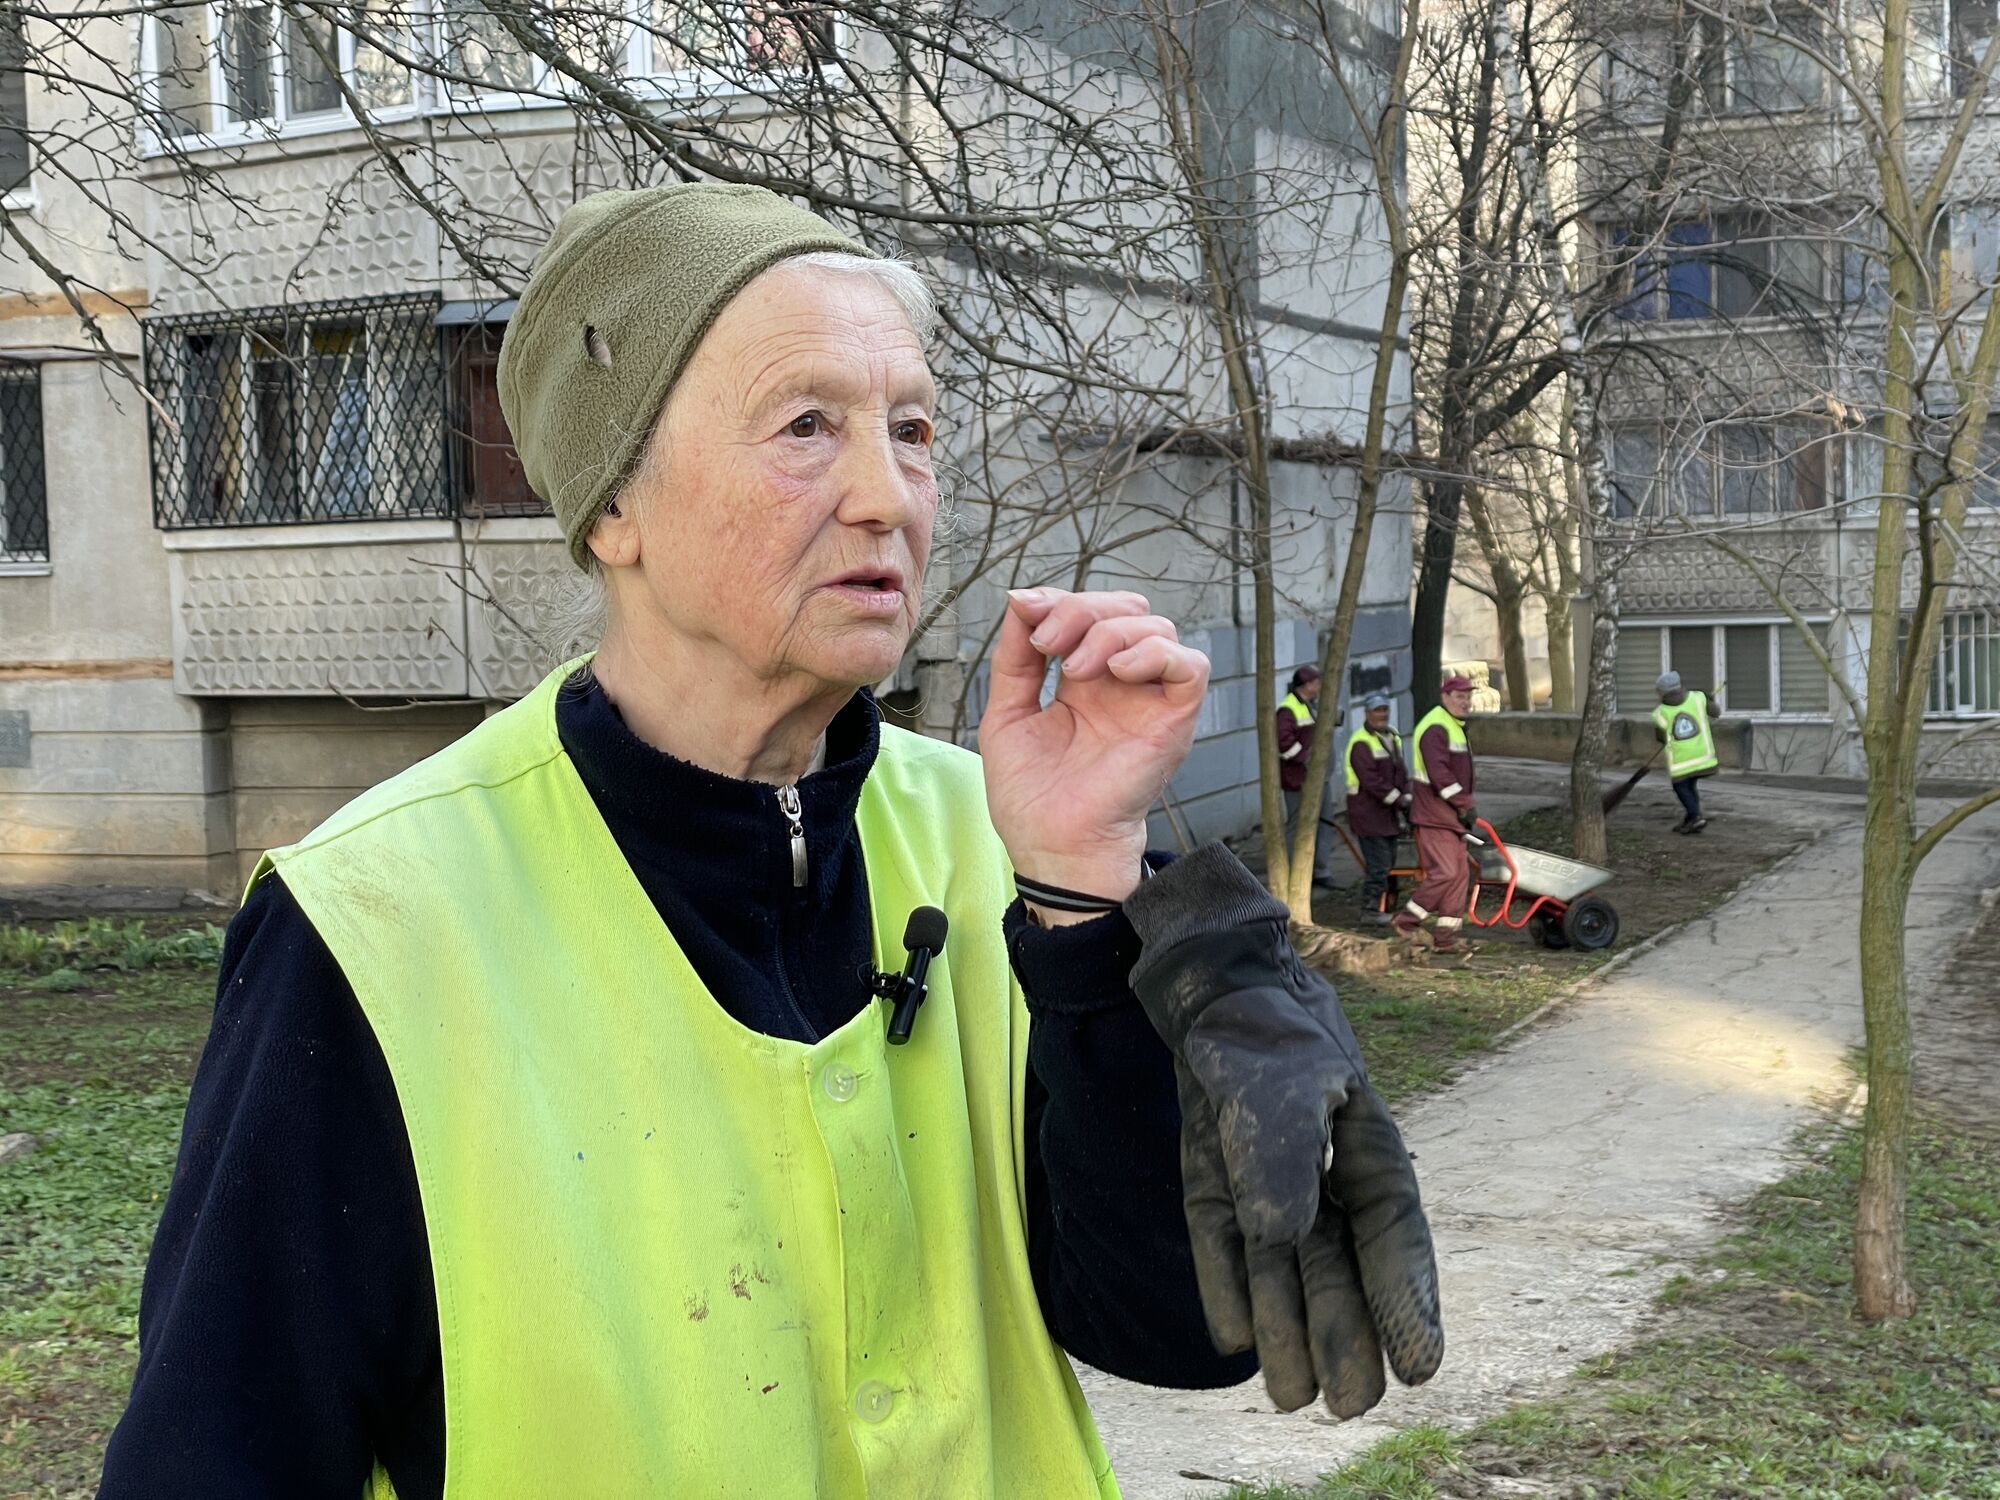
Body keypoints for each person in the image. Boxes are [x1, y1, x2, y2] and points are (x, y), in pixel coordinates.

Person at [100, 185, 1439, 1497]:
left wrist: (1103, 900)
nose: (887, 496)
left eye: (912, 430)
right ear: (613, 505)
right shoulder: (374, 925)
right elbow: (224, 1452)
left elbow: (1170, 1330)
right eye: (807, 426)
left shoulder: (998, 839)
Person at [1396, 674, 1479, 953]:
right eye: (1459, 696)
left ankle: (1446, 937)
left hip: (1448, 815)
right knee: (1444, 872)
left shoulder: (1452, 725)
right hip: (1434, 814)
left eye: (1468, 696)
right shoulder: (1435, 727)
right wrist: (1463, 803)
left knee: (1459, 875)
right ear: (1444, 697)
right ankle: (1407, 921)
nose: (1465, 701)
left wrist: (1461, 806)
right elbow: (1440, 774)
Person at [1344, 691, 1408, 924]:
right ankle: (1370, 910)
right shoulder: (1361, 743)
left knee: (1389, 862)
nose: (1381, 715)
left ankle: (1385, 904)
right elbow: (1371, 781)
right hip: (1368, 813)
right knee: (1379, 864)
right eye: (1376, 711)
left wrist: (1406, 794)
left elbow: (1400, 771)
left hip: (1386, 815)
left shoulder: (1392, 736)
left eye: (1384, 710)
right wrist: (1399, 799)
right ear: (1367, 713)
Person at [1276, 665, 1337, 887]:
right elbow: (1284, 745)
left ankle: (1319, 870)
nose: (1319, 686)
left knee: (1324, 822)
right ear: (1306, 685)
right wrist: (1306, 759)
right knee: (1298, 825)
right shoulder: (1288, 710)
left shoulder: (1312, 706)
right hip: (1299, 780)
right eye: (1316, 682)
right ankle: (1296, 873)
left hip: (1320, 777)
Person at [1653, 670, 1720, 833]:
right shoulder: (1698, 698)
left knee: (1681, 787)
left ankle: (1695, 816)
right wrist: (1709, 699)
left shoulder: (1660, 713)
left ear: (1662, 693)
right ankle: (1691, 819)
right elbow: (1716, 713)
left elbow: (1661, 738)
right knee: (1690, 786)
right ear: (1679, 686)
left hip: (1681, 761)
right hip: (1703, 756)